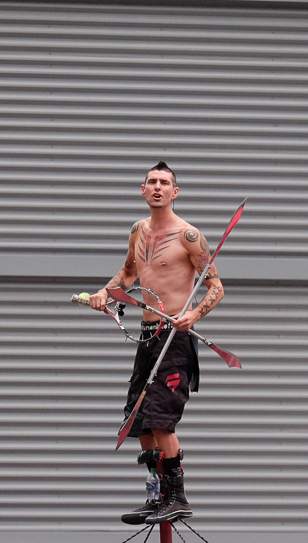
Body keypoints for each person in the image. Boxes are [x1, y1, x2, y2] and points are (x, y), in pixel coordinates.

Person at [88, 161, 225, 524]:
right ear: (143, 190)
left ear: (175, 192)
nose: (158, 187)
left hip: (175, 338)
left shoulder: (189, 236)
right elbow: (129, 272)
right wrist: (105, 293)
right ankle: (157, 495)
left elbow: (216, 286)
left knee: (162, 418)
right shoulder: (138, 230)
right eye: (152, 181)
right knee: (139, 421)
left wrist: (193, 315)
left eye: (165, 182)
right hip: (148, 336)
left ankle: (178, 497)